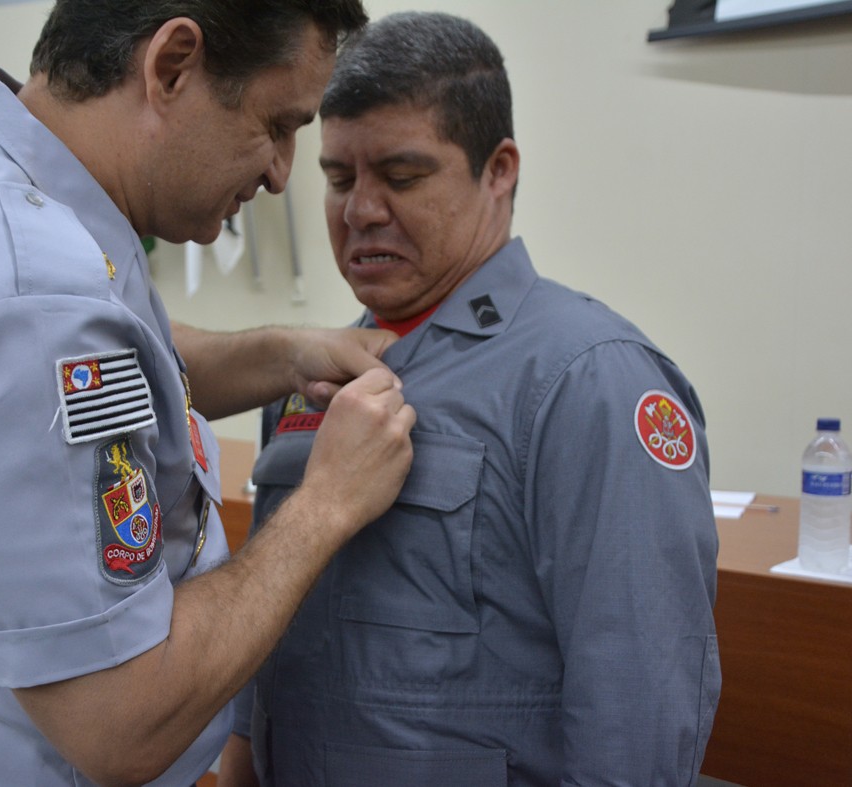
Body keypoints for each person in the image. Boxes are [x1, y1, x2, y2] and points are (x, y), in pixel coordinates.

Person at [0, 3, 417, 786]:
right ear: (171, 66)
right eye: (276, 125)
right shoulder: (33, 306)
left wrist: (282, 353)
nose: (278, 172)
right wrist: (327, 503)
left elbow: (125, 356)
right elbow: (122, 722)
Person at [219, 11, 721, 787]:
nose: (361, 211)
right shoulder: (313, 373)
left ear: (499, 171)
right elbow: (268, 662)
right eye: (340, 178)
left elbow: (637, 714)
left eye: (403, 176)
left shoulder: (591, 380)